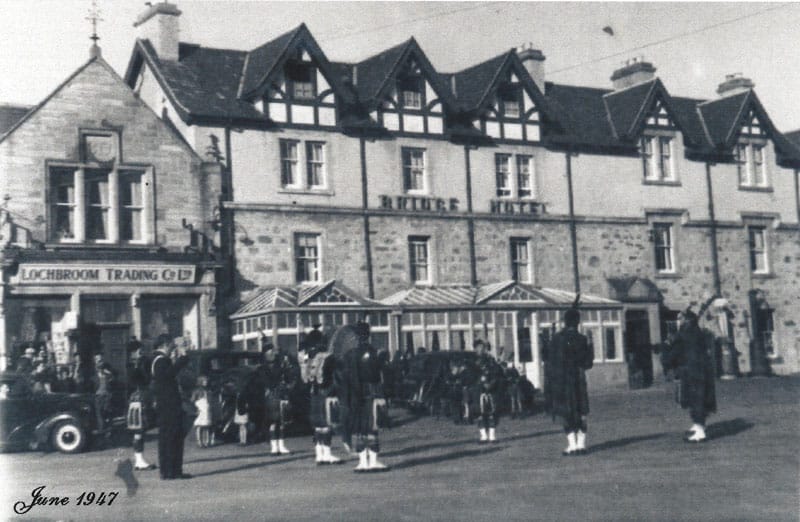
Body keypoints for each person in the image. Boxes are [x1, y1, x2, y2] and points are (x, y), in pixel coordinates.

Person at [661, 309, 717, 443]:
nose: (679, 321)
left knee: (695, 399)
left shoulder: (685, 334)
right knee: (700, 397)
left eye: (681, 318)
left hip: (692, 371)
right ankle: (699, 425)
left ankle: (700, 431)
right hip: (700, 369)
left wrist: (666, 354)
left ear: (687, 320)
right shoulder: (695, 331)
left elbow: (676, 351)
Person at [547, 305, 593, 456]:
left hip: (562, 381)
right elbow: (588, 364)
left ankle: (572, 445)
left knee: (566, 412)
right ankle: (581, 445)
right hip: (579, 379)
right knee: (581, 412)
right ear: (577, 322)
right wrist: (590, 346)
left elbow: (549, 359)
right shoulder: (582, 339)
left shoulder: (556, 339)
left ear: (565, 322)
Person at [343, 322, 389, 472]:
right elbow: (378, 375)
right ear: (368, 335)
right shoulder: (374, 353)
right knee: (372, 427)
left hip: (355, 395)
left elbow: (346, 377)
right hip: (371, 392)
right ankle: (373, 461)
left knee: (359, 428)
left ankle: (362, 462)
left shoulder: (349, 355)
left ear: (356, 336)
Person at [151, 334, 192, 480]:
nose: (172, 349)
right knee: (172, 437)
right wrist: (182, 357)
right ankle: (171, 471)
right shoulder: (160, 360)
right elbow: (169, 374)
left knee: (169, 437)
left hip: (166, 404)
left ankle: (170, 470)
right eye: (171, 346)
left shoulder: (158, 360)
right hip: (169, 404)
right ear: (165, 344)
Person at [302, 327, 342, 465]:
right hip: (326, 393)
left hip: (313, 393)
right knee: (326, 424)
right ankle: (327, 454)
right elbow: (336, 377)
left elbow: (305, 378)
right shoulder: (329, 357)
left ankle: (319, 454)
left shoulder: (308, 357)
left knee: (318, 426)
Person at [126, 339, 156, 471]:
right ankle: (139, 460)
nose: (140, 352)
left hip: (138, 398)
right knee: (139, 430)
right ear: (133, 352)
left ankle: (139, 459)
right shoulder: (133, 365)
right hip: (139, 399)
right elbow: (142, 379)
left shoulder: (135, 364)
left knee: (140, 430)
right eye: (138, 350)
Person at [261, 343, 294, 455]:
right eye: (269, 352)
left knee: (281, 421)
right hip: (271, 395)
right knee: (272, 421)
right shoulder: (263, 367)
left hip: (280, 395)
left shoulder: (280, 364)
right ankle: (274, 446)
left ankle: (281, 445)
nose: (272, 354)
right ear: (265, 354)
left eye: (272, 352)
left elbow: (288, 377)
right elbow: (266, 381)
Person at [92, 353, 116, 431]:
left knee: (108, 413)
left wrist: (109, 373)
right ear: (95, 361)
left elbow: (113, 378)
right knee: (99, 414)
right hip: (98, 395)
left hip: (107, 395)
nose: (99, 362)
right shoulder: (92, 372)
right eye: (97, 360)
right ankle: (101, 430)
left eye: (101, 360)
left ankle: (109, 429)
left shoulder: (107, 370)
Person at [191, 375, 214, 448]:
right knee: (200, 426)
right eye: (204, 381)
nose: (206, 382)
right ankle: (200, 442)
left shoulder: (209, 390)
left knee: (207, 426)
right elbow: (192, 400)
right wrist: (196, 408)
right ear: (200, 382)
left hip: (207, 409)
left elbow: (211, 400)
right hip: (201, 410)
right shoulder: (197, 391)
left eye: (206, 381)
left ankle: (207, 441)